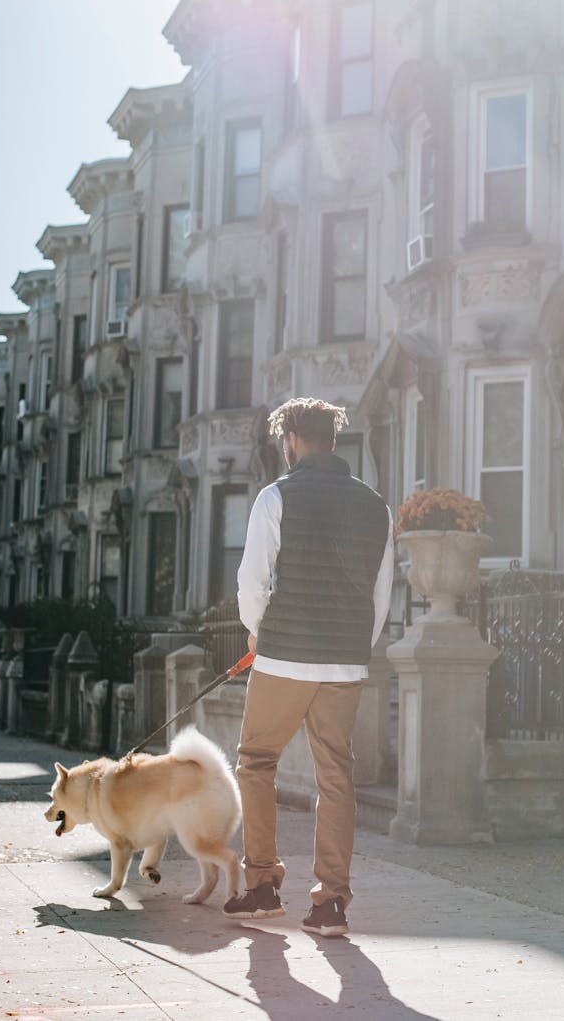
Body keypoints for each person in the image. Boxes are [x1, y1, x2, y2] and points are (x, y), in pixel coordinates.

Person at [223, 397, 394, 937]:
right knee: (336, 775)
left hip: (283, 657)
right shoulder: (376, 506)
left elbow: (252, 582)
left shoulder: (275, 497)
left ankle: (262, 887)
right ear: (334, 441)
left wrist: (258, 633)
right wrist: (350, 646)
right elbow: (381, 594)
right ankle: (331, 904)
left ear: (291, 439)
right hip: (343, 662)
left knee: (256, 760)